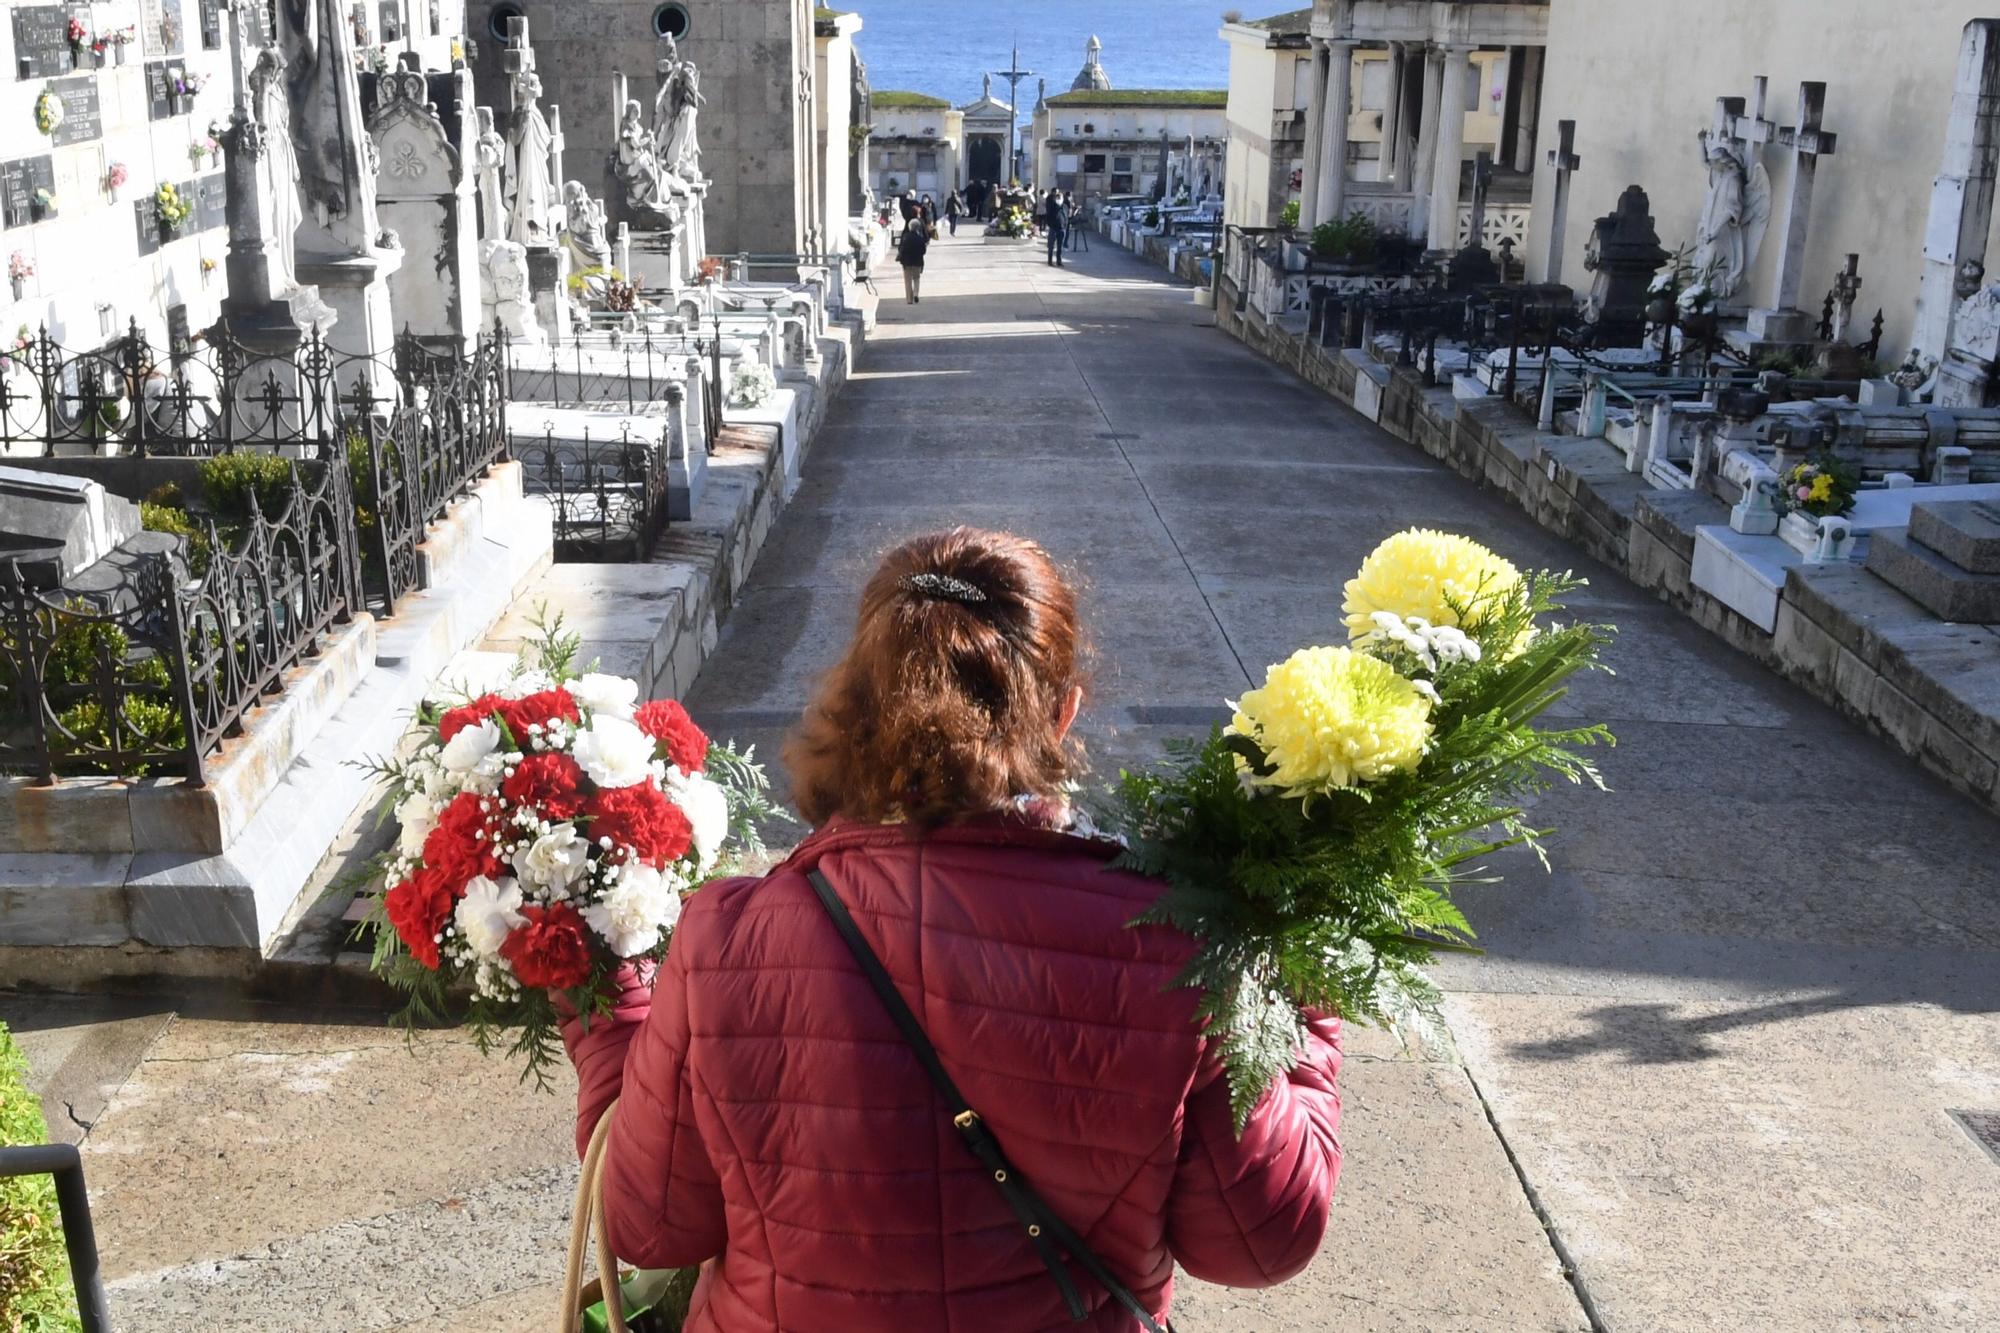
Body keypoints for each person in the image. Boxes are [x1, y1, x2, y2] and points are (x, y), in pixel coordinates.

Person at [560, 528, 1344, 1333]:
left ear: (858, 702)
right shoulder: (1170, 942)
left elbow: (650, 1223)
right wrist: (1305, 1006)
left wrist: (608, 1016)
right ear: (1064, 709)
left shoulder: (728, 942)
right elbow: (1259, 1238)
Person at [895, 214, 930, 304]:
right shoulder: (920, 239)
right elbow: (923, 251)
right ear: (918, 228)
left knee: (908, 280)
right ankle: (916, 294)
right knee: (916, 279)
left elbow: (900, 249)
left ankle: (909, 300)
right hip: (917, 262)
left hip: (906, 263)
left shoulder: (905, 237)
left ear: (910, 227)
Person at [1044, 188, 1069, 267]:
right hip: (1053, 228)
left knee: (1060, 246)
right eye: (1057, 197)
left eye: (1060, 197)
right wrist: (1050, 225)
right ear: (1055, 198)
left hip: (1062, 228)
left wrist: (1065, 224)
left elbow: (1066, 216)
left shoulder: (1064, 206)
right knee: (1051, 246)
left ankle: (1059, 261)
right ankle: (1050, 261)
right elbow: (1048, 215)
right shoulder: (1052, 205)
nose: (1059, 199)